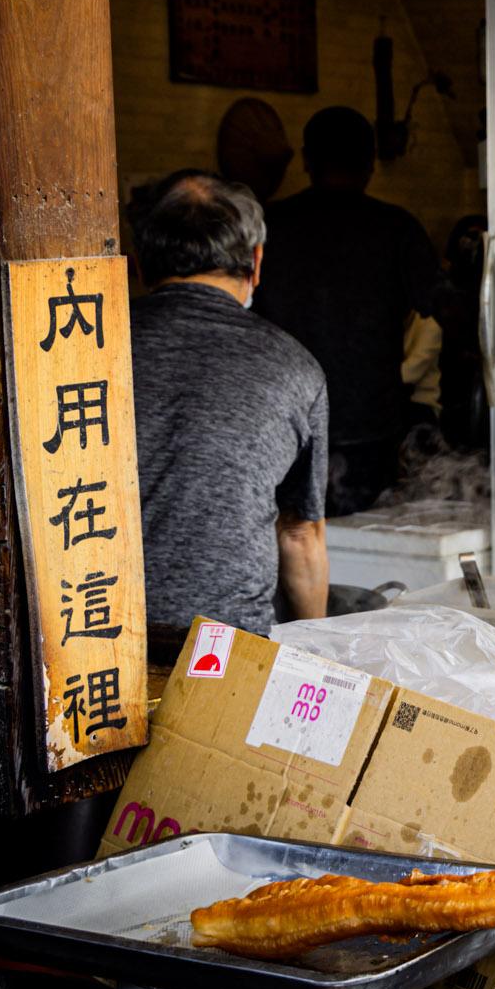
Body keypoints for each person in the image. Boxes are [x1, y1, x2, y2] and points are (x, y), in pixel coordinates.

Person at [128, 170, 328, 641]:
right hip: (227, 648)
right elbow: (299, 536)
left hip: (93, 635)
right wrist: (318, 656)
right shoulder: (296, 368)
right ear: (256, 263)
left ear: (139, 264)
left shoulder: (87, 346)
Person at [252, 106, 442, 515]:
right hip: (371, 429)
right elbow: (446, 309)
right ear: (371, 162)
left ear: (305, 159)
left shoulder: (268, 227)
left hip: (282, 426)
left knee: (289, 544)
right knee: (370, 551)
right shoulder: (396, 228)